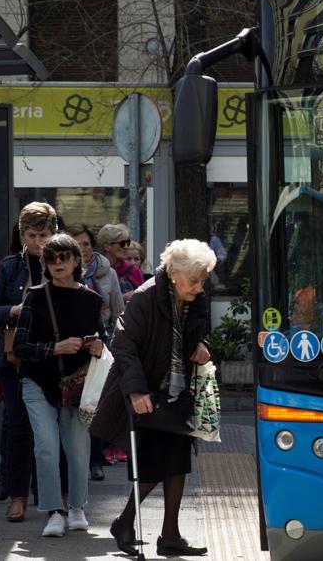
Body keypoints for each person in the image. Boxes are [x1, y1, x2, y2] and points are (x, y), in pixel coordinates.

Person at [93, 238, 217, 557]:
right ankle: (124, 523)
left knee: (177, 462)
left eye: (203, 280)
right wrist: (135, 391)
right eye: (195, 280)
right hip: (146, 389)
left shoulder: (191, 295)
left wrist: (200, 346)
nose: (200, 287)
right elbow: (123, 344)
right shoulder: (147, 296)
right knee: (153, 463)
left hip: (176, 389)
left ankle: (170, 535)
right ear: (174, 273)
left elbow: (196, 331)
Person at [13, 233, 105, 538]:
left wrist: (97, 347)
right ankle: (53, 511)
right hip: (38, 381)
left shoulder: (91, 299)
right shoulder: (36, 296)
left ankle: (77, 507)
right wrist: (55, 348)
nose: (57, 264)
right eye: (50, 259)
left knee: (78, 450)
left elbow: (103, 339)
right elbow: (20, 346)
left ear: (77, 260)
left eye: (63, 257)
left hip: (77, 385)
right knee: (47, 446)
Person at [0, 201, 58, 522]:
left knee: (52, 428)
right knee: (17, 427)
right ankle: (18, 495)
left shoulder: (64, 263)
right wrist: (15, 310)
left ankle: (49, 492)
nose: (38, 242)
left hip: (53, 357)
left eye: (44, 235)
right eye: (31, 235)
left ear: (55, 233)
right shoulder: (10, 265)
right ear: (21, 234)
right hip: (15, 357)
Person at [69, 223, 125, 478]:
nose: (83, 249)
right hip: (72, 346)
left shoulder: (107, 272)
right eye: (78, 244)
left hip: (102, 344)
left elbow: (118, 312)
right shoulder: (65, 272)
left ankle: (96, 460)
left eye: (87, 244)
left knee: (97, 403)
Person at [98, 223, 144, 300]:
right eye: (122, 243)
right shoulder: (97, 270)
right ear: (107, 246)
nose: (126, 247)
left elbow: (145, 298)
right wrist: (122, 298)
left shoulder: (134, 270)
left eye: (127, 243)